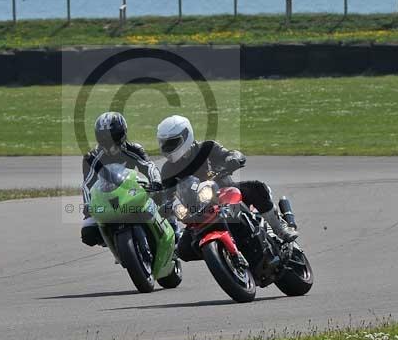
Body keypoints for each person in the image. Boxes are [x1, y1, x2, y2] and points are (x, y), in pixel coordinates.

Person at [155, 115, 298, 262]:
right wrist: (164, 206)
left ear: (186, 136)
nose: (168, 149)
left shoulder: (207, 148)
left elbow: (230, 154)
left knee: (257, 188)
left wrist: (233, 159)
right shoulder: (167, 170)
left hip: (226, 193)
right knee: (183, 250)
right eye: (165, 145)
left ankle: (279, 229)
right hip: (197, 211)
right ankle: (219, 254)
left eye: (172, 143)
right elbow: (167, 194)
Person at [80, 112, 164, 246]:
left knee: (163, 202)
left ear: (123, 134)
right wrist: (87, 205)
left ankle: (172, 231)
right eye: (104, 138)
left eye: (115, 136)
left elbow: (149, 167)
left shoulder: (134, 149)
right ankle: (114, 242)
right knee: (88, 233)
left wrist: (156, 182)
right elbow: (87, 184)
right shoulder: (92, 157)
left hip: (131, 193)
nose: (110, 143)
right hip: (105, 199)